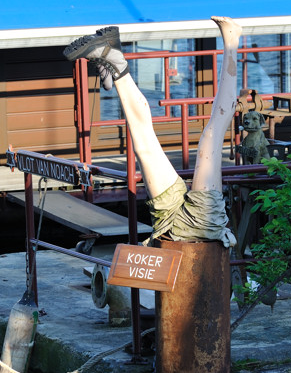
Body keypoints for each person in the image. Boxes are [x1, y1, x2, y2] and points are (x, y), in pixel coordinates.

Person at [64, 17, 240, 247]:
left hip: (167, 226)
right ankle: (232, 41)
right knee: (211, 138)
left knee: (143, 146)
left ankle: (114, 61)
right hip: (203, 225)